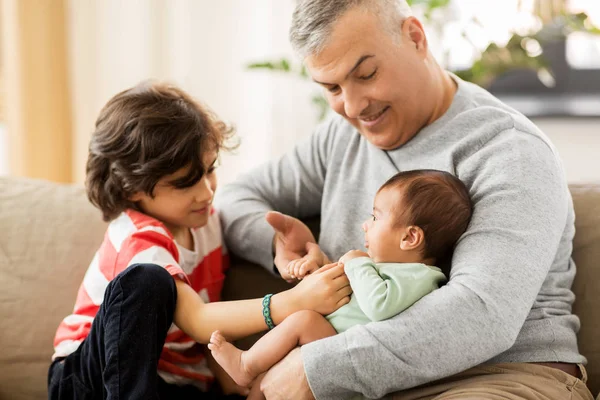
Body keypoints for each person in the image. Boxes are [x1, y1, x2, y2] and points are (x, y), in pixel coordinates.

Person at [214, 0, 594, 399]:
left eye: (367, 74)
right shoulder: (341, 137)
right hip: (368, 382)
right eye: (332, 88)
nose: (354, 106)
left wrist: (316, 369)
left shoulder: (508, 149)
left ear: (415, 38)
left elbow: (481, 313)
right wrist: (278, 247)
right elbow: (236, 198)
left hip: (500, 375)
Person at [47, 81, 352, 400]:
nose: (206, 191)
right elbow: (198, 321)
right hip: (90, 379)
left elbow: (210, 331)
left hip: (170, 382)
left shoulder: (207, 224)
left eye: (210, 171)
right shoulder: (139, 237)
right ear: (132, 188)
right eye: (185, 183)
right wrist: (293, 301)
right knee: (148, 281)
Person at [209, 170, 471, 399]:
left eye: (376, 218)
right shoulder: (383, 266)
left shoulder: (422, 277)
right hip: (326, 344)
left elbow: (379, 306)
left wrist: (358, 264)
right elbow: (349, 299)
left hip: (345, 362)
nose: (365, 225)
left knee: (304, 320)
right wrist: (319, 271)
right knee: (268, 377)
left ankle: (245, 365)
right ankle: (252, 380)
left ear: (410, 237)